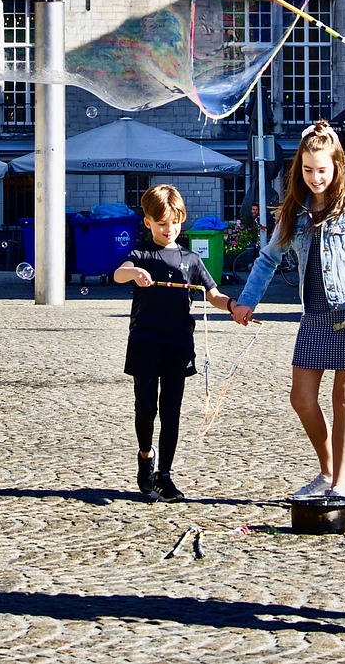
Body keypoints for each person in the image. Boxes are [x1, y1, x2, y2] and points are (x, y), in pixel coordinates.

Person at [230, 120, 345, 514]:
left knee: (343, 401)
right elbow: (268, 258)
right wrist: (247, 300)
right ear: (299, 170)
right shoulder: (295, 212)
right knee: (301, 398)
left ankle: (343, 483)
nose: (316, 177)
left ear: (337, 166)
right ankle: (327, 473)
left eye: (322, 169)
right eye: (308, 170)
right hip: (316, 315)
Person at [113, 184, 233, 502]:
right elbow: (118, 274)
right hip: (145, 341)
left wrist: (234, 306)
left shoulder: (190, 259)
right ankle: (144, 457)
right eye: (162, 223)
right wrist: (135, 272)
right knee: (146, 407)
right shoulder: (141, 255)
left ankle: (164, 475)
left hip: (178, 344)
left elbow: (213, 294)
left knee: (171, 410)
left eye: (175, 223)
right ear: (148, 222)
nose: (170, 230)